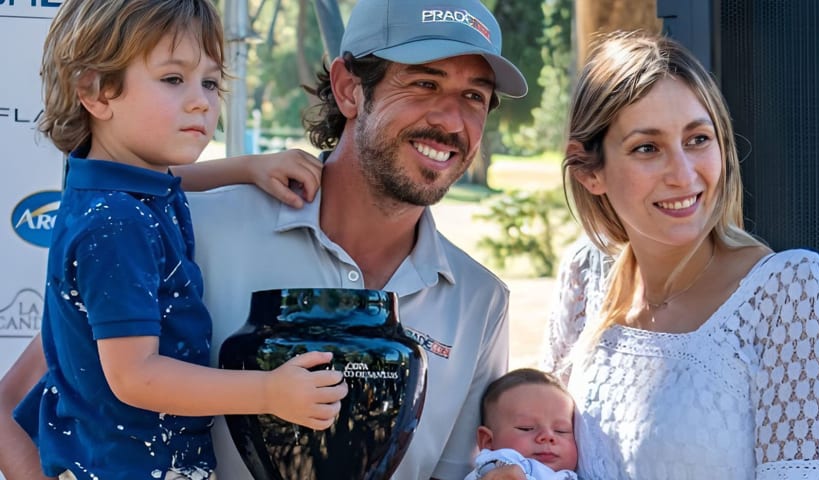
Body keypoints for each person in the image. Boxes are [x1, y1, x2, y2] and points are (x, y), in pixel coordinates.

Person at [0, 0, 528, 479]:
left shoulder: (482, 302)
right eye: (424, 84)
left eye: (475, 96)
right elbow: (25, 396)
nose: (450, 118)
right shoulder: (176, 230)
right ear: (348, 88)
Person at [4, 1, 347, 479]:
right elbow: (136, 375)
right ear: (96, 91)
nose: (202, 101)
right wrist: (268, 392)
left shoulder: (113, 190)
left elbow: (171, 180)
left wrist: (246, 166)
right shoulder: (117, 222)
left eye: (210, 82)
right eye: (173, 79)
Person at [534, 31, 819, 479]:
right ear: (590, 172)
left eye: (698, 139)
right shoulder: (586, 274)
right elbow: (535, 455)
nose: (683, 175)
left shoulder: (793, 293)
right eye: (647, 148)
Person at [465, 368, 578, 480]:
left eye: (561, 430)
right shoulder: (501, 467)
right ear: (488, 441)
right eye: (527, 428)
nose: (548, 436)